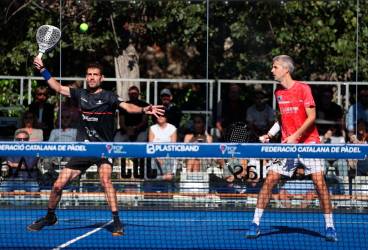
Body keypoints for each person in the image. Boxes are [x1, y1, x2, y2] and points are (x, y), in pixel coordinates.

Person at [27, 57, 164, 236]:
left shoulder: (109, 96)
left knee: (105, 181)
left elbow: (128, 108)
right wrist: (43, 69)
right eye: (89, 75)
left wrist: (144, 109)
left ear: (102, 78)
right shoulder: (79, 94)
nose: (91, 77)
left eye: (95, 75)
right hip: (84, 149)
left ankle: (116, 222)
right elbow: (58, 87)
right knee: (57, 185)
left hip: (103, 149)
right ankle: (50, 217)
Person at [246, 55, 337, 242]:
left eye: (275, 67)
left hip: (309, 143)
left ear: (286, 69)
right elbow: (282, 119)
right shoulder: (278, 92)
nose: (272, 70)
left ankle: (330, 226)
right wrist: (270, 135)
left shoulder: (304, 89)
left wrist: (296, 136)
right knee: (270, 180)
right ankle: (254, 223)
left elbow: (311, 117)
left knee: (319, 183)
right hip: (288, 144)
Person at [147, 112, 177, 192]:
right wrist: (157, 157)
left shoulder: (172, 128)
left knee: (169, 178)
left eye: (163, 115)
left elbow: (173, 148)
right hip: (154, 157)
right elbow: (151, 146)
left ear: (166, 117)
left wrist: (165, 159)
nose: (160, 117)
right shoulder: (152, 128)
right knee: (150, 178)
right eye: (158, 115)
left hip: (168, 158)